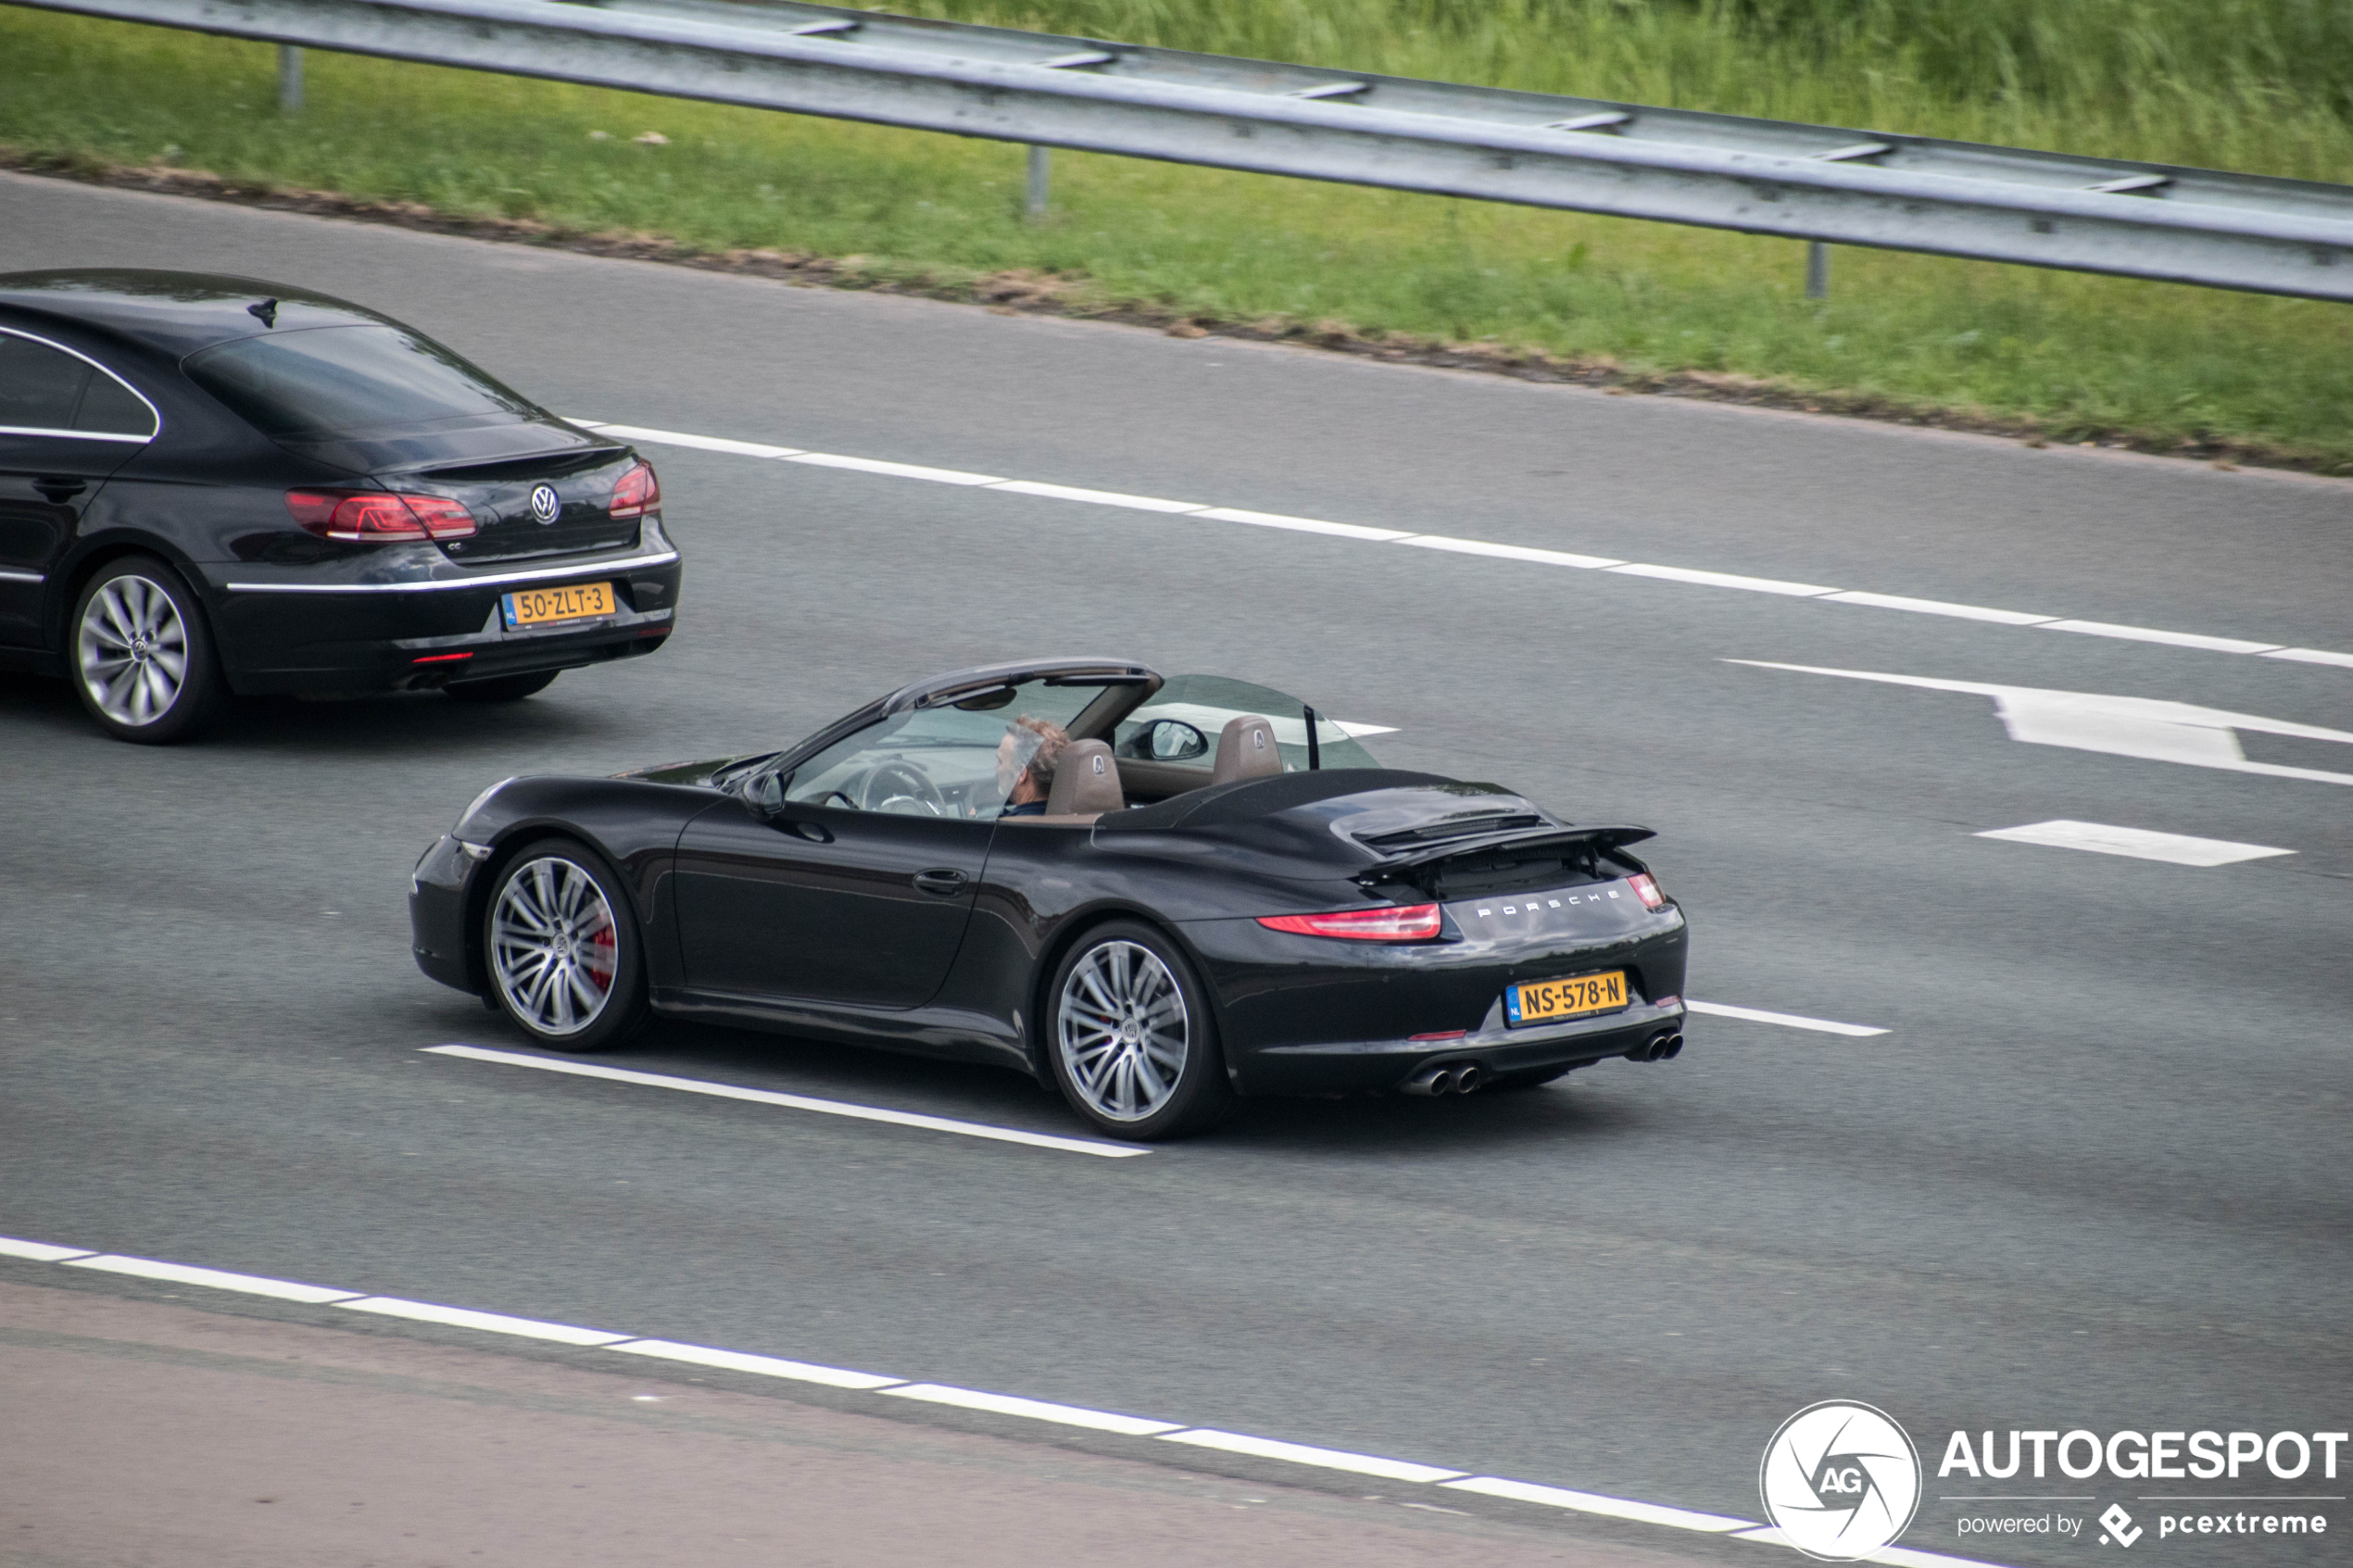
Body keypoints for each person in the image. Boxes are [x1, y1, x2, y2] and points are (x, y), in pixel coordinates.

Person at [994, 715, 1070, 817]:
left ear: (1021, 773)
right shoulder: (1072, 818)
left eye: (1000, 761)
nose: (996, 768)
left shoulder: (1007, 829)